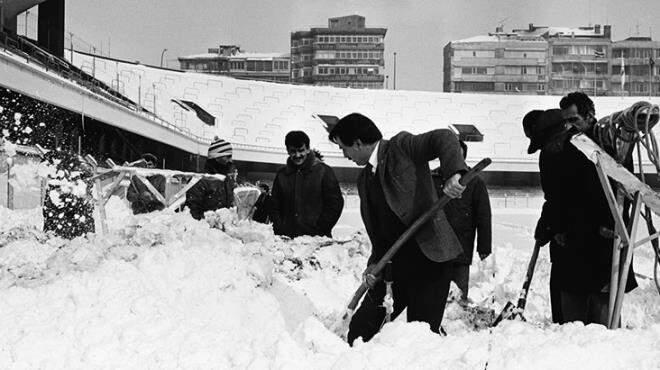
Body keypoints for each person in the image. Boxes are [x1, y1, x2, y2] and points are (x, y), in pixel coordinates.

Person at [328, 113, 467, 345]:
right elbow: (379, 232)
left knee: (419, 337)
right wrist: (374, 264)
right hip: (394, 266)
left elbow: (444, 137)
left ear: (359, 143)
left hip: (430, 261)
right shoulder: (364, 180)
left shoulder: (401, 147)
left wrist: (454, 173)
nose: (344, 154)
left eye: (344, 148)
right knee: (360, 332)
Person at [529, 109, 637, 326]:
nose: (546, 148)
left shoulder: (592, 148)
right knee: (570, 314)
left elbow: (617, 190)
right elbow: (554, 198)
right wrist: (550, 227)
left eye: (546, 142)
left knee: (601, 312)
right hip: (570, 246)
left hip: (601, 242)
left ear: (560, 132)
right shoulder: (550, 156)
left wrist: (610, 224)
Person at [433, 139, 492, 301]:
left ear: (463, 158)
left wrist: (484, 246)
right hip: (434, 249)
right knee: (434, 293)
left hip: (460, 249)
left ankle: (456, 321)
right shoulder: (432, 179)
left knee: (457, 295)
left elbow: (484, 216)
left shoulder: (474, 182)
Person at [270, 131, 344, 238]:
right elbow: (275, 205)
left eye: (301, 150)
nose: (297, 155)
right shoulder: (282, 175)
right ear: (287, 151)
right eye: (293, 151)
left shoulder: (324, 171)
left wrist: (320, 229)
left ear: (308, 149)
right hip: (287, 238)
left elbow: (335, 204)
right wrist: (280, 228)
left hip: (317, 239)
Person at [42, 149, 95, 239]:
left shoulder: (72, 176)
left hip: (74, 230)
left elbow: (86, 216)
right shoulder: (55, 185)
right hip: (69, 225)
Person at [185, 137, 236, 220]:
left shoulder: (226, 181)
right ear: (216, 158)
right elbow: (191, 215)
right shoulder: (199, 181)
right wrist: (211, 220)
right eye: (227, 157)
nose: (230, 161)